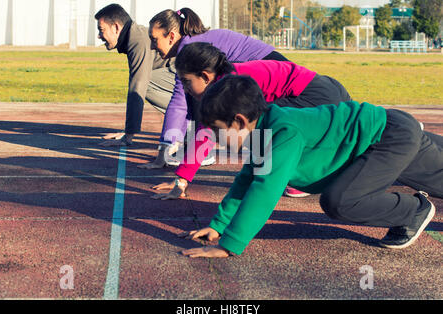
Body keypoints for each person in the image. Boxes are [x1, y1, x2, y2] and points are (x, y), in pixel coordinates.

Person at [180, 75, 442, 258]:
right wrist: (219, 225)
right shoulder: (264, 130)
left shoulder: (282, 132)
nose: (214, 138)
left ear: (238, 121)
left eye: (217, 130)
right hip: (383, 135)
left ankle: (414, 211)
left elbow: (265, 190)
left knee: (341, 201)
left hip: (388, 136)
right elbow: (247, 180)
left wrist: (230, 244)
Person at [151, 42, 351, 200]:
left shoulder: (228, 86)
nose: (185, 89)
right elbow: (207, 129)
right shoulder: (225, 80)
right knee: (259, 127)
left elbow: (207, 133)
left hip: (317, 95)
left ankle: (303, 177)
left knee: (262, 126)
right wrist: (182, 179)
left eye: (186, 82)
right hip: (327, 88)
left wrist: (182, 181)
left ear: (205, 76)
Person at [139, 7, 289, 169]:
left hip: (276, 72)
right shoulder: (191, 43)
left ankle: (201, 153)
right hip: (270, 69)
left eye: (154, 39)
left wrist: (164, 152)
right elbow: (182, 104)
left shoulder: (189, 50)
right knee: (198, 94)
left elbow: (179, 103)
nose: (152, 47)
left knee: (204, 96)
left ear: (171, 36)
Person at [94, 3, 176, 147]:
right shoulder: (133, 36)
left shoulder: (137, 40)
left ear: (116, 27)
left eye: (101, 30)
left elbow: (138, 86)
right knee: (144, 82)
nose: (99, 36)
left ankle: (189, 122)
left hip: (187, 74)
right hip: (179, 73)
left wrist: (128, 136)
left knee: (145, 83)